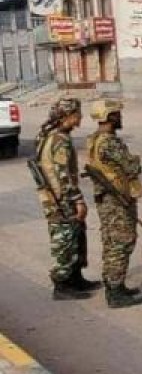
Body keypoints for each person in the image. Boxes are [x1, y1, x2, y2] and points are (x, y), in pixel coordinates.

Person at [33, 98, 97, 300]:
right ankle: (62, 286)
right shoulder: (60, 140)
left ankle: (75, 279)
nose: (80, 118)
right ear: (66, 116)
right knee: (65, 240)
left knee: (76, 236)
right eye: (77, 114)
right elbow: (63, 174)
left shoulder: (47, 136)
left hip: (54, 197)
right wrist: (78, 200)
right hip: (61, 199)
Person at [86, 99, 142, 309]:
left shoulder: (94, 139)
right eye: (116, 114)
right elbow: (132, 166)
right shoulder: (109, 142)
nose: (120, 117)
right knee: (121, 242)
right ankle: (115, 291)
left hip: (108, 198)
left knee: (112, 241)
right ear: (109, 116)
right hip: (116, 199)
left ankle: (115, 285)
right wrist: (135, 161)